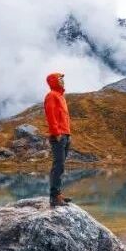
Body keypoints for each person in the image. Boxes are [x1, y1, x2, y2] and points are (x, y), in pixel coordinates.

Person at [44, 72, 73, 207]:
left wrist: (68, 134)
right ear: (54, 81)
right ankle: (54, 196)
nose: (62, 81)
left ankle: (58, 193)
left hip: (65, 135)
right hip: (59, 136)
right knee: (58, 165)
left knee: (61, 166)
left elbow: (63, 117)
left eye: (62, 79)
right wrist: (56, 133)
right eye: (60, 79)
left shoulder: (61, 96)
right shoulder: (51, 96)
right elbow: (51, 116)